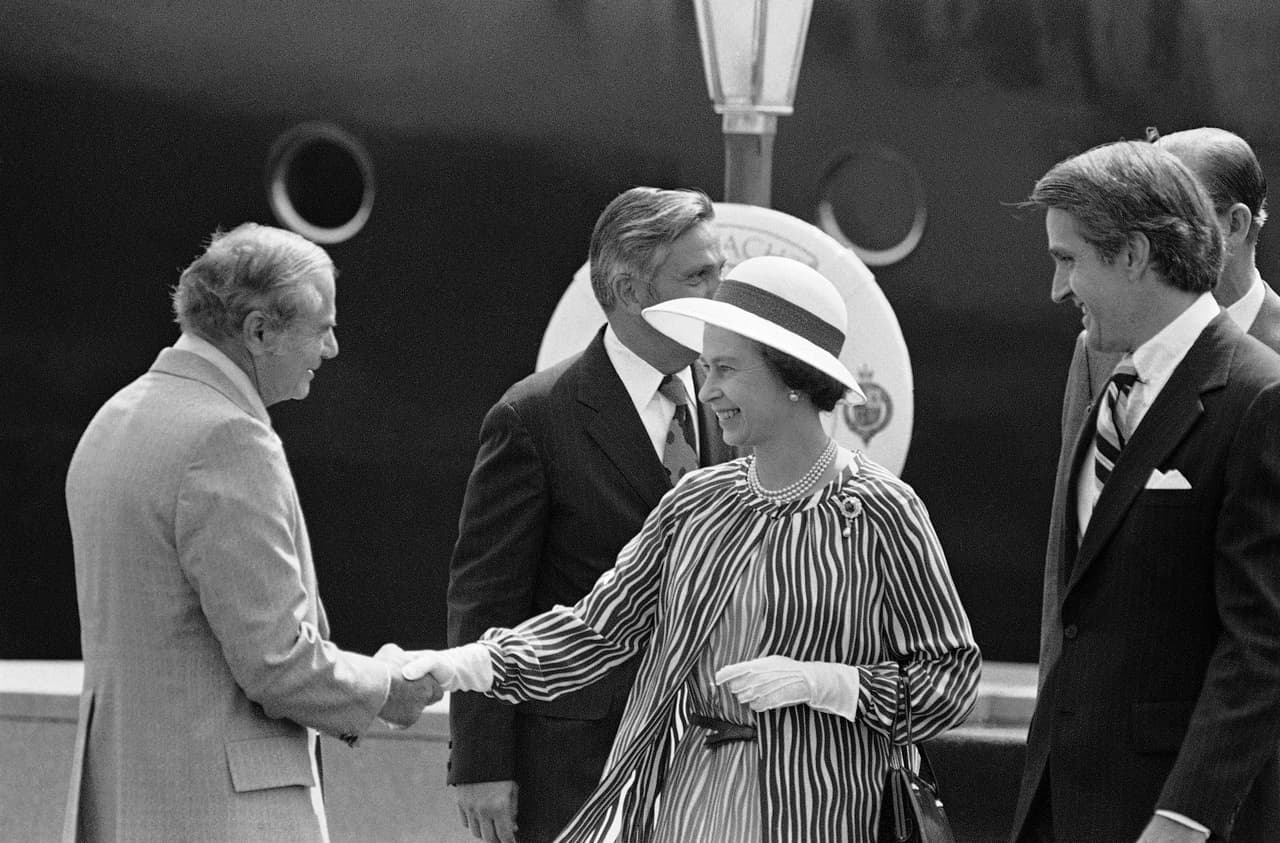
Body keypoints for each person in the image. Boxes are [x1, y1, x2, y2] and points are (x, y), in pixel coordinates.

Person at [412, 255, 981, 842]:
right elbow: (596, 630)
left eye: (726, 370)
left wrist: (832, 684)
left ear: (793, 378)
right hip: (693, 808)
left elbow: (952, 681)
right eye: (706, 368)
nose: (706, 391)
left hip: (828, 810)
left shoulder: (883, 510)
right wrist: (467, 665)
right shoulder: (696, 502)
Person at [62, 224, 442, 843]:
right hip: (221, 814)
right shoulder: (227, 439)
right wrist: (386, 689)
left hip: (128, 807)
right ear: (260, 331)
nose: (332, 349)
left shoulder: (114, 419)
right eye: (322, 328)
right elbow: (278, 664)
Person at [445, 186, 734, 843]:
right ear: (630, 291)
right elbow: (486, 601)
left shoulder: (733, 403)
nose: (719, 293)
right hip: (578, 766)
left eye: (721, 272)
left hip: (713, 764)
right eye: (698, 276)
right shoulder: (533, 417)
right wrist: (482, 762)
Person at [1011, 141, 1280, 842]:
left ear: (1132, 254)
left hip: (1171, 817)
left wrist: (1184, 818)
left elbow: (1261, 642)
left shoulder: (1261, 395)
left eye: (1068, 259)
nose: (1057, 289)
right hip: (1061, 805)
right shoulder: (1107, 376)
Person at [1038, 126, 1280, 690]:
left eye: (1171, 202)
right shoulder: (1098, 349)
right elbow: (1070, 562)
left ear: (1234, 224)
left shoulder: (1267, 377)